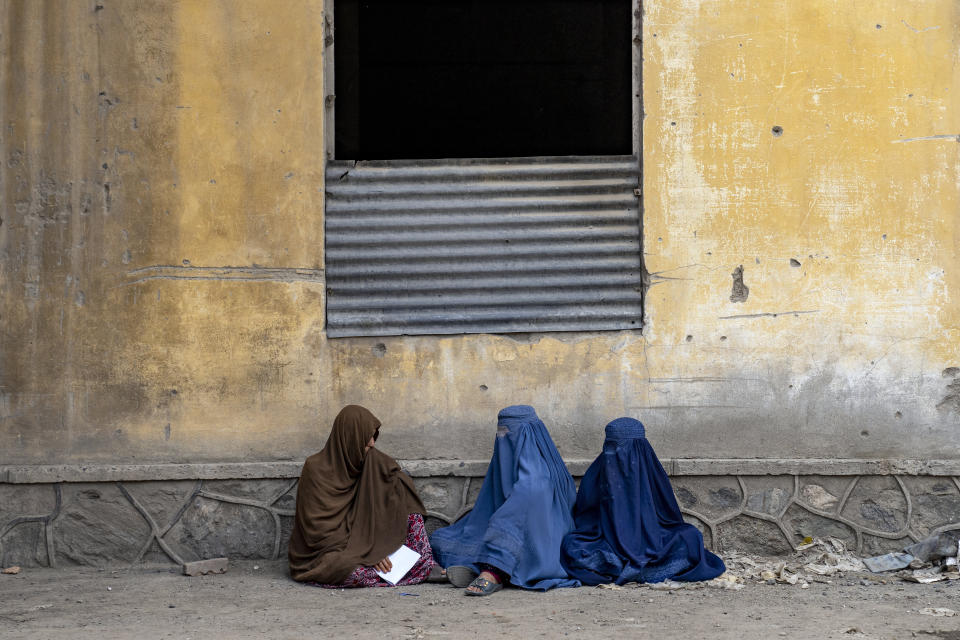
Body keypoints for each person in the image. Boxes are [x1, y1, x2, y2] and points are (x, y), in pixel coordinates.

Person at [430, 405, 580, 595]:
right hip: (503, 531)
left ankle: (492, 572)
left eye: (508, 432)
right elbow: (487, 509)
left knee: (496, 539)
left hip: (541, 543)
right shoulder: (508, 465)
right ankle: (478, 566)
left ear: (527, 434)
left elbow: (512, 519)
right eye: (500, 432)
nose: (503, 437)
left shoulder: (536, 480)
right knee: (441, 540)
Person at [288, 405, 444, 587]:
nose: (372, 443)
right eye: (366, 437)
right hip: (331, 551)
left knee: (404, 496)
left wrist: (377, 548)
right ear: (350, 437)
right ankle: (420, 570)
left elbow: (397, 493)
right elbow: (318, 531)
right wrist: (367, 553)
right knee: (349, 570)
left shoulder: (371, 460)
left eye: (373, 436)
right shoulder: (316, 469)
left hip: (371, 543)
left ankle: (418, 564)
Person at [560, 417, 725, 585]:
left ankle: (626, 567)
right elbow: (586, 518)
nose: (614, 452)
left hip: (653, 537)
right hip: (606, 539)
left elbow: (667, 515)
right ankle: (643, 568)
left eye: (620, 446)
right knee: (572, 546)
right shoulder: (596, 474)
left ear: (639, 446)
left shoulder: (651, 471)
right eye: (610, 446)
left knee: (690, 536)